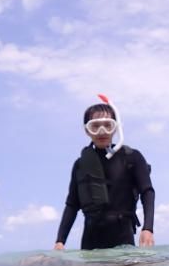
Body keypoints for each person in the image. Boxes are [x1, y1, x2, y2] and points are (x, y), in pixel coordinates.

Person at [54, 96, 155, 250]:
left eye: (108, 125)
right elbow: (72, 205)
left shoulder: (132, 157)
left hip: (123, 237)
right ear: (87, 130)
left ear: (116, 127)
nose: (102, 132)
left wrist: (148, 228)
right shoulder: (80, 165)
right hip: (90, 240)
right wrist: (60, 241)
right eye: (95, 126)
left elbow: (147, 192)